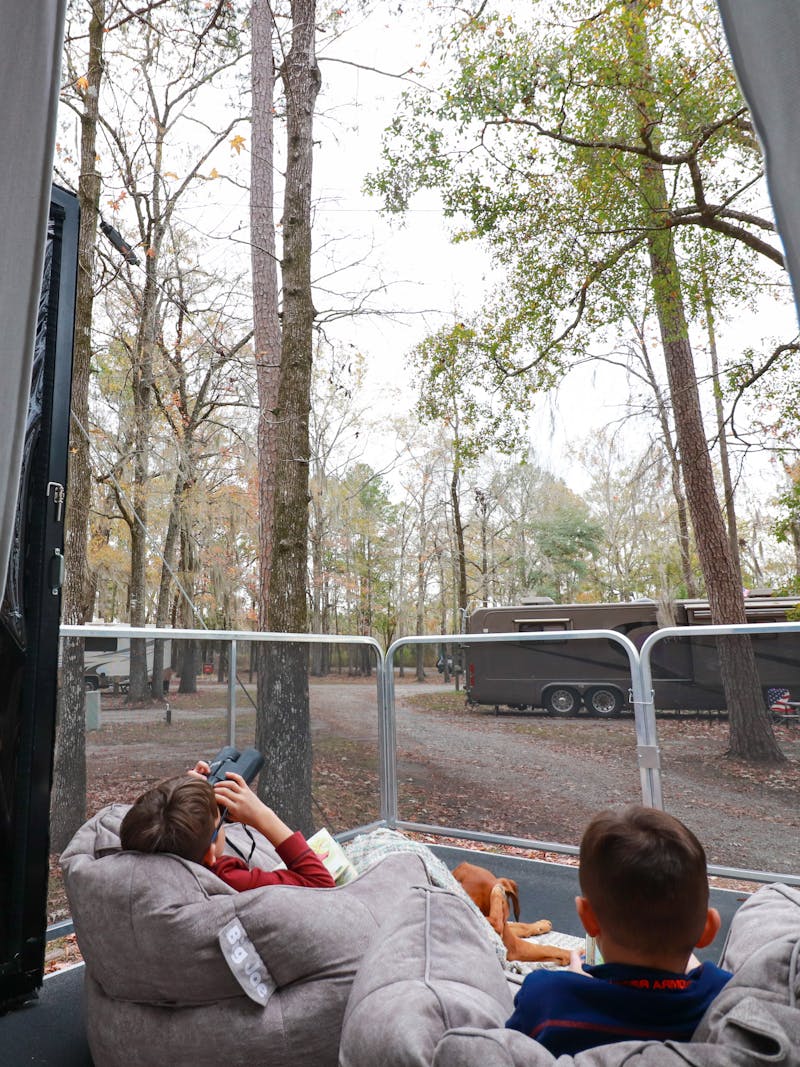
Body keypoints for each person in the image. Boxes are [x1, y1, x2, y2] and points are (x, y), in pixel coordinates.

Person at [506, 805, 732, 1056]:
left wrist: (575, 984)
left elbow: (510, 1051)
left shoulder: (547, 997)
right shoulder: (722, 999)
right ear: (709, 929)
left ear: (587, 919)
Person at [120, 763, 335, 892]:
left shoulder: (136, 857)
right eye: (220, 819)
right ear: (210, 853)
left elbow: (151, 816)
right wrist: (262, 815)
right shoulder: (226, 878)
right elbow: (323, 885)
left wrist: (182, 792)